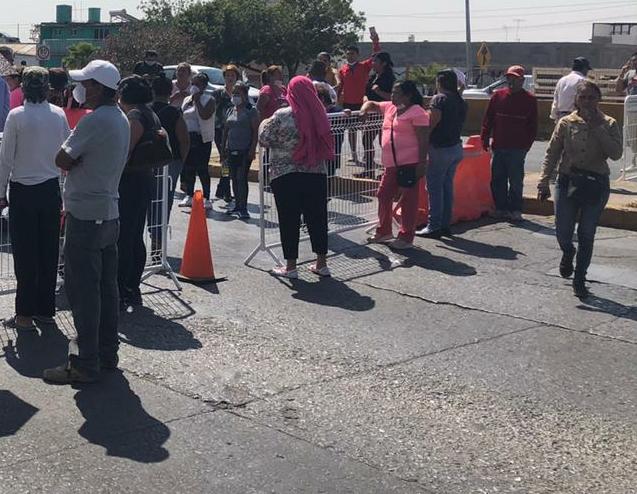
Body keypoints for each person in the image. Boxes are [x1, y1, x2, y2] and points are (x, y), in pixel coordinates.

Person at [44, 60, 130, 384]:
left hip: (86, 214)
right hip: (109, 212)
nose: (81, 89)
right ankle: (107, 354)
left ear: (97, 87)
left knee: (84, 292)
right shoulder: (120, 117)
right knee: (107, 290)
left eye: (86, 84)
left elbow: (62, 158)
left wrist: (75, 159)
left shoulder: (95, 121)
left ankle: (85, 362)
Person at [537, 81, 622, 298]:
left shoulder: (609, 123)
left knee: (586, 232)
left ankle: (580, 277)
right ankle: (568, 252)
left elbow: (615, 154)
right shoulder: (566, 122)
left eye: (591, 97)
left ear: (598, 99)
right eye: (583, 97)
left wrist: (597, 128)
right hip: (568, 181)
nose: (587, 102)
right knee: (563, 230)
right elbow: (552, 153)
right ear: (576, 99)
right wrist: (544, 180)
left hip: (596, 183)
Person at [0, 67, 70, 331]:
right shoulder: (59, 114)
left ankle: (24, 314)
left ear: (25, 88)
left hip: (23, 191)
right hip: (51, 190)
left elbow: (6, 159)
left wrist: (0, 193)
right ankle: (45, 309)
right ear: (47, 88)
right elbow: (67, 149)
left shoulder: (16, 116)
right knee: (48, 251)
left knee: (25, 254)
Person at [258, 76, 334, 278]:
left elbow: (264, 139)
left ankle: (291, 266)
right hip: (315, 173)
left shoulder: (282, 115)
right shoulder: (320, 114)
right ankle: (321, 263)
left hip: (285, 175)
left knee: (289, 219)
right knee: (317, 218)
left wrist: (265, 122)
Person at [361, 80, 430, 250]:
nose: (392, 96)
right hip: (391, 164)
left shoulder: (417, 112)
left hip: (410, 163)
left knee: (408, 201)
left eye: (397, 93)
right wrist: (364, 110)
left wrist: (421, 163)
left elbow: (423, 140)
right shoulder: (390, 108)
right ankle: (384, 231)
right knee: (383, 195)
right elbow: (371, 103)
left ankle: (406, 237)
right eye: (392, 92)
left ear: (408, 95)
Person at [117, 75, 161, 309]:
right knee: (135, 235)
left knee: (126, 236)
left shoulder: (134, 116)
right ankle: (132, 285)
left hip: (131, 181)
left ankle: (124, 285)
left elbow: (127, 149)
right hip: (145, 179)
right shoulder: (150, 113)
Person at [480, 65, 537, 222]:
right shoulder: (497, 97)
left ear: (522, 80)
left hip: (518, 148)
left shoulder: (530, 100)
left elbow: (532, 127)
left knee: (516, 180)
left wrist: (526, 146)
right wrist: (484, 138)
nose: (511, 81)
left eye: (515, 78)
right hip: (498, 145)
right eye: (509, 78)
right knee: (497, 179)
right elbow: (488, 120)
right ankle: (500, 208)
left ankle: (515, 209)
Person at [417, 69, 467, 238]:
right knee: (447, 187)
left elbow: (432, 122)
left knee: (434, 188)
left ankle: (434, 225)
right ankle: (445, 223)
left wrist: (423, 141)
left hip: (440, 148)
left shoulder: (439, 99)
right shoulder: (460, 100)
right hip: (455, 147)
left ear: (440, 82)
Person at [148, 73, 190, 255]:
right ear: (169, 92)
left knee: (148, 199)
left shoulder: (145, 112)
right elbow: (184, 140)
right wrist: (182, 161)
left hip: (147, 162)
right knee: (164, 200)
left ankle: (151, 237)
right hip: (170, 162)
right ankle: (158, 241)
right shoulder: (174, 113)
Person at [337, 32, 381, 164]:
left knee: (365, 131)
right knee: (351, 131)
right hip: (348, 104)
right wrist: (337, 100)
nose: (350, 56)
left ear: (357, 55)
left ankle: (367, 156)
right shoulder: (342, 69)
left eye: (352, 54)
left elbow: (376, 55)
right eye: (348, 54)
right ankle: (354, 155)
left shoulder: (364, 66)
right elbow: (341, 86)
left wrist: (375, 41)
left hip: (362, 103)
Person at [221, 82, 258, 219]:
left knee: (241, 178)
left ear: (244, 94)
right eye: (234, 93)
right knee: (233, 178)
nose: (235, 96)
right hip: (231, 149)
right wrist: (223, 148)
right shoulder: (231, 110)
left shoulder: (251, 110)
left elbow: (255, 132)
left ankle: (243, 207)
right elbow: (226, 130)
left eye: (238, 93)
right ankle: (237, 205)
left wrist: (252, 149)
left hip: (244, 150)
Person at [179, 72, 215, 209]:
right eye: (192, 84)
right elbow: (183, 115)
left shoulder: (209, 99)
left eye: (197, 84)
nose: (194, 87)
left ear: (204, 86)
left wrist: (198, 100)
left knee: (202, 168)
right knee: (189, 168)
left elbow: (205, 115)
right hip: (189, 137)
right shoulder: (187, 99)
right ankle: (189, 194)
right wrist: (192, 99)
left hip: (202, 138)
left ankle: (207, 197)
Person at [359, 51, 395, 177]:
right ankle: (369, 170)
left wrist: (379, 91)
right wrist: (366, 102)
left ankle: (388, 172)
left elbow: (393, 98)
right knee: (366, 139)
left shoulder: (390, 78)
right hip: (372, 114)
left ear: (384, 63)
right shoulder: (372, 76)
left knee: (384, 142)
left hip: (384, 114)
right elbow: (365, 93)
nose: (373, 63)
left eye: (375, 61)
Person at [212, 64, 241, 202]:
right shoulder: (218, 94)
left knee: (230, 162)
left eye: (233, 76)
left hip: (235, 132)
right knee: (225, 160)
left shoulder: (239, 94)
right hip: (220, 131)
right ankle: (226, 190)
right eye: (228, 75)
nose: (230, 78)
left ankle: (221, 187)